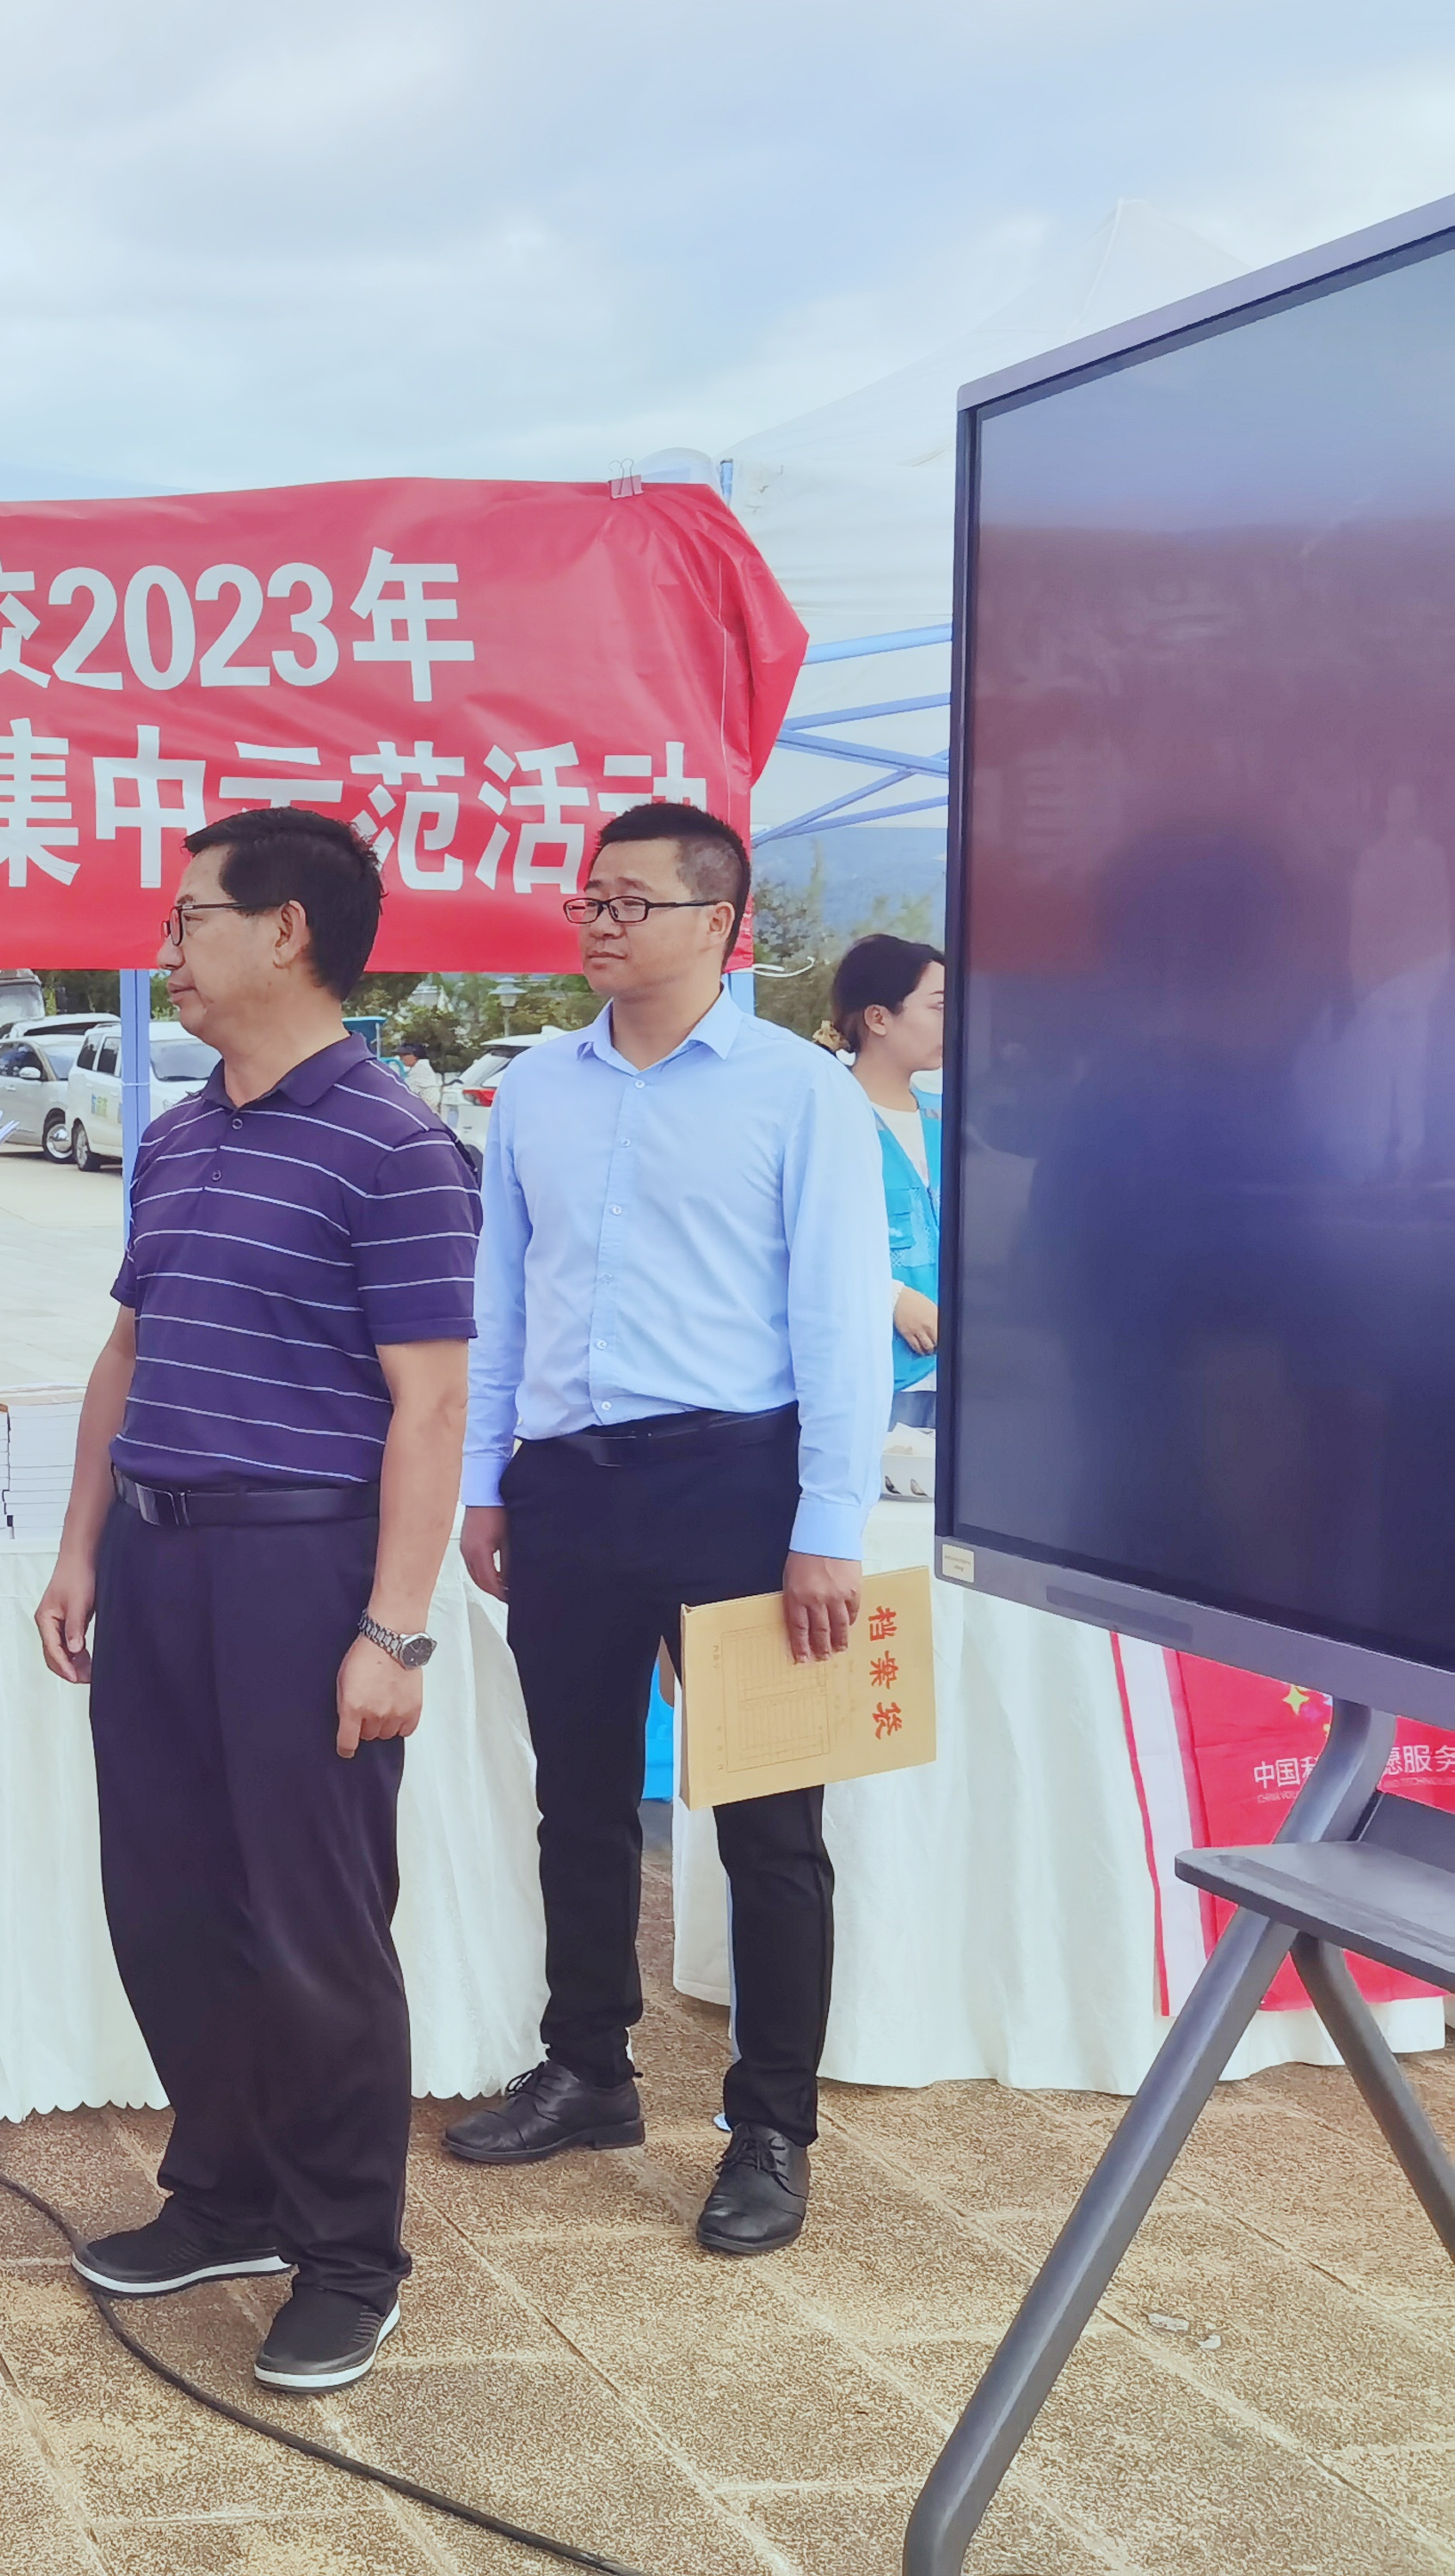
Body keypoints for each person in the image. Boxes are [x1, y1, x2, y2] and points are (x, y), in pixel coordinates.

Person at [35, 810, 476, 2395]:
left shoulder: (395, 1143)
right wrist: (83, 1548)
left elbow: (432, 1404)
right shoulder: (176, 1135)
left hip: (302, 1572)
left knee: (312, 1924)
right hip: (160, 1563)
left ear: (286, 931)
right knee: (167, 1901)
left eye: (189, 919)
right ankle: (222, 2196)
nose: (165, 949)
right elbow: (128, 1352)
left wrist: (393, 1627)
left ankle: (349, 2254)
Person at [446, 801, 891, 2257]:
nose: (599, 921)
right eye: (591, 897)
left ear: (721, 926)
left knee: (769, 1826)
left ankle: (771, 2126)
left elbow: (840, 1315)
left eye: (631, 901)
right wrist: (488, 1479)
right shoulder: (536, 1089)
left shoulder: (796, 1092)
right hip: (568, 1484)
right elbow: (503, 1296)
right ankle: (588, 2067)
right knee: (576, 1800)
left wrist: (827, 1522)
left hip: (739, 1487)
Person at [832, 934, 947, 1430]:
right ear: (879, 1018)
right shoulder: (829, 1115)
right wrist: (889, 1296)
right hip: (872, 1372)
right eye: (939, 1006)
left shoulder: (947, 1117)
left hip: (954, 1375)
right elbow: (796, 1239)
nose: (955, 1019)